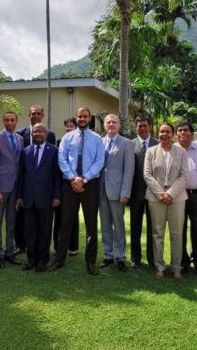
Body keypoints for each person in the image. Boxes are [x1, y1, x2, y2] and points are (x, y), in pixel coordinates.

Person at [47, 107, 105, 275]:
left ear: (90, 118)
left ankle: (90, 262)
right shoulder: (67, 137)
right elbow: (62, 158)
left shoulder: (97, 139)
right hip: (70, 185)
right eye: (80, 116)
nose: (82, 119)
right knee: (65, 223)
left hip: (90, 185)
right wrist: (73, 178)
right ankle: (59, 260)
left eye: (85, 116)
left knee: (91, 225)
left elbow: (99, 161)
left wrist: (83, 179)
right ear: (76, 118)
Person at [143, 123, 188, 279]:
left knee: (177, 234)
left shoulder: (181, 152)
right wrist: (161, 194)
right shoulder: (151, 151)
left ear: (173, 134)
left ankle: (176, 268)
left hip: (177, 199)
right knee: (157, 233)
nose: (164, 134)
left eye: (167, 132)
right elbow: (147, 174)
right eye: (162, 131)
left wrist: (170, 194)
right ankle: (159, 267)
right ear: (158, 133)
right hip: (156, 199)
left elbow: (184, 176)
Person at [16, 123, 62, 271]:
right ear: (32, 134)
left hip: (47, 199)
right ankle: (31, 260)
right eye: (35, 132)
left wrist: (57, 196)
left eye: (40, 131)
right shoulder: (25, 151)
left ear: (46, 134)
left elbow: (57, 176)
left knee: (44, 231)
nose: (37, 134)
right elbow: (21, 175)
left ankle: (42, 260)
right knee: (29, 231)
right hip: (28, 199)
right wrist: (19, 196)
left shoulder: (54, 151)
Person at [16, 104, 56, 253]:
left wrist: (56, 195)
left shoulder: (53, 145)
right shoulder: (22, 140)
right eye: (33, 113)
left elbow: (54, 172)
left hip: (45, 194)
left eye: (39, 113)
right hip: (28, 194)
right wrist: (20, 195)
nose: (36, 116)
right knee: (28, 227)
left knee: (44, 228)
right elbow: (21, 172)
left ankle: (42, 257)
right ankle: (26, 251)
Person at [98, 114, 135, 271]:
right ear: (104, 125)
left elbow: (129, 170)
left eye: (114, 122)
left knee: (119, 226)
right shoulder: (99, 142)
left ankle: (120, 256)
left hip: (118, 191)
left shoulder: (127, 143)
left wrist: (125, 192)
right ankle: (108, 255)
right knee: (105, 225)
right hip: (101, 191)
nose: (111, 124)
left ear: (119, 125)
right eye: (108, 122)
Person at [0, 111, 24, 268]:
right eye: (7, 120)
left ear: (16, 121)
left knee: (11, 222)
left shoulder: (20, 139)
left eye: (12, 120)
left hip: (15, 187)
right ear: (3, 121)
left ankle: (10, 251)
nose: (10, 122)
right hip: (1, 188)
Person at [176, 120, 197, 278]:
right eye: (180, 130)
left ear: (192, 133)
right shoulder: (172, 150)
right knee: (179, 231)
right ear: (176, 134)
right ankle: (183, 263)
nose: (182, 132)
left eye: (186, 130)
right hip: (178, 197)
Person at [130, 115, 157, 270]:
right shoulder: (130, 144)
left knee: (153, 228)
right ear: (136, 127)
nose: (142, 128)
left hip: (154, 193)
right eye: (139, 126)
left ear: (150, 127)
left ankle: (152, 258)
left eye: (145, 125)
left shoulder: (157, 144)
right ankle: (136, 258)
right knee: (135, 227)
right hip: (136, 192)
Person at [53, 117, 80, 256]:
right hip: (61, 182)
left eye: (71, 126)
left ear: (76, 127)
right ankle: (58, 246)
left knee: (73, 216)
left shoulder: (79, 142)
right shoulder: (59, 142)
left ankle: (73, 246)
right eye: (67, 126)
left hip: (75, 183)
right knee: (59, 216)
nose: (69, 128)